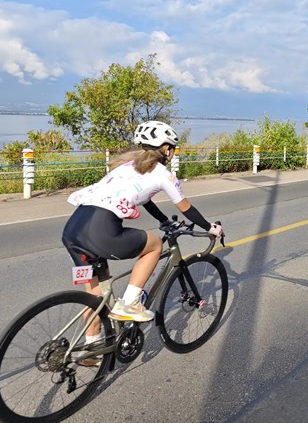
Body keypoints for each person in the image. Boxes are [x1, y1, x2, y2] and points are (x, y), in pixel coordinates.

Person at [62, 121, 224, 335]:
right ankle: (131, 302)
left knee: (96, 298)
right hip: (101, 231)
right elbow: (186, 208)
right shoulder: (163, 173)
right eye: (172, 149)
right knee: (155, 244)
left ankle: (91, 347)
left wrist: (164, 220)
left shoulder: (127, 166)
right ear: (166, 149)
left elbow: (146, 199)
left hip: (73, 230)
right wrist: (211, 228)